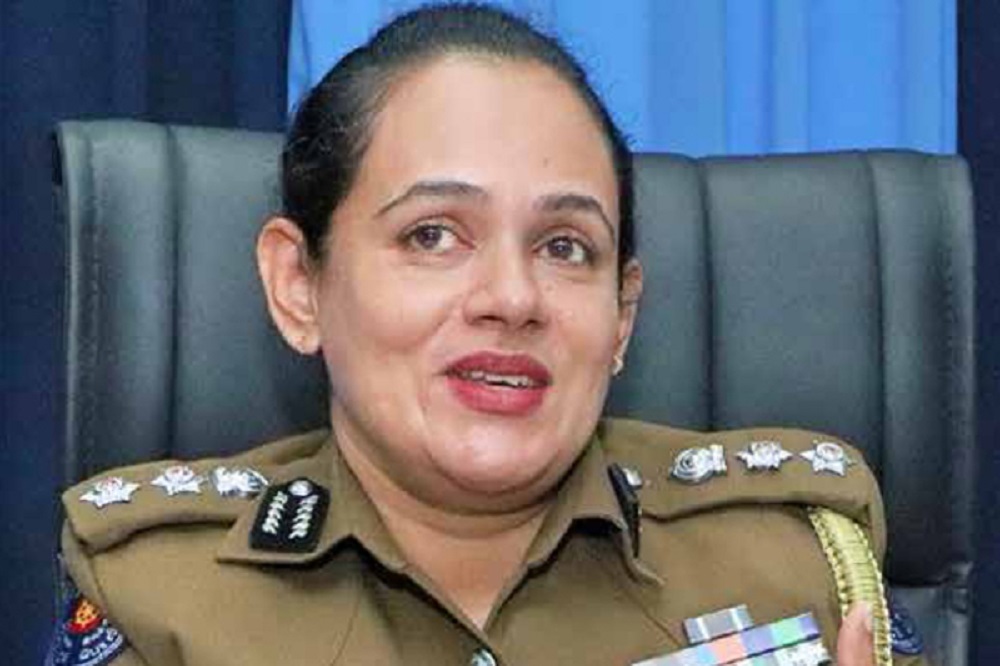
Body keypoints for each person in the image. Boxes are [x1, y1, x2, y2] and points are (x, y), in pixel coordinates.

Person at [48, 4, 928, 666]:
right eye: (432, 235)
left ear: (622, 314)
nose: (512, 298)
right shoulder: (159, 602)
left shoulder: (801, 564)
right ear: (299, 285)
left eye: (565, 247)